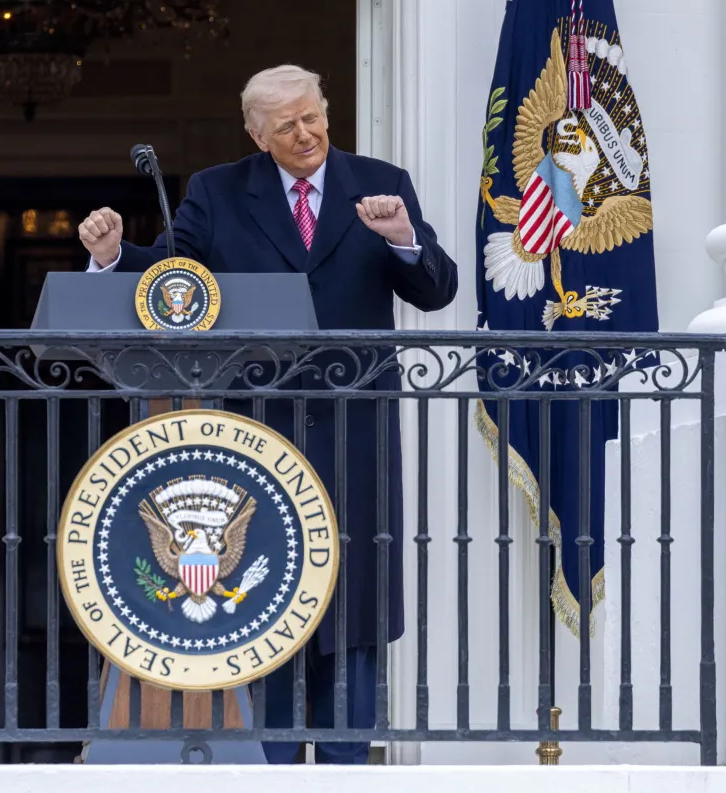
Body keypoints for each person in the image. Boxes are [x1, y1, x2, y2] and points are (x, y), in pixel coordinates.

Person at [78, 64, 457, 764]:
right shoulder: (219, 192)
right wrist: (110, 258)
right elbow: (174, 278)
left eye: (313, 117)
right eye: (287, 126)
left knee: (352, 602)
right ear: (257, 134)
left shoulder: (381, 181)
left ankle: (347, 764)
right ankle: (271, 765)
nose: (306, 133)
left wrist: (406, 237)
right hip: (256, 430)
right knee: (267, 595)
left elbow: (435, 290)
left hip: (354, 428)